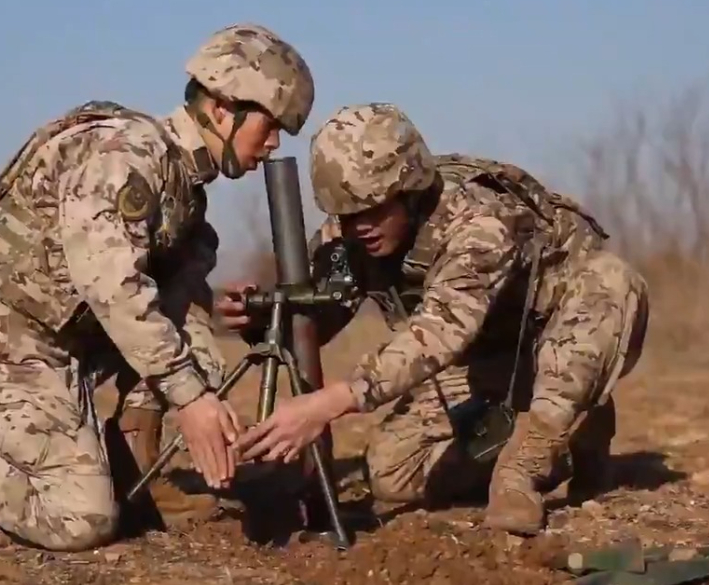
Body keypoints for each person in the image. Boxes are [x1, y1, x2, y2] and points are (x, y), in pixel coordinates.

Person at [0, 23, 315, 551]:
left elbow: (175, 306)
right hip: (6, 340)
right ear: (222, 108)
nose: (274, 143)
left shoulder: (185, 191)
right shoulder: (125, 156)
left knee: (189, 326)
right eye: (270, 125)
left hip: (76, 344)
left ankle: (135, 471)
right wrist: (191, 399)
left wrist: (212, 327)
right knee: (80, 517)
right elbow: (113, 289)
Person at [223, 102, 649, 536]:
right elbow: (316, 319)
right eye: (347, 214)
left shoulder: (480, 220)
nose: (360, 226)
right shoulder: (350, 234)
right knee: (392, 474)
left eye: (374, 209)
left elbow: (443, 329)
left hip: (558, 335)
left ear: (410, 192)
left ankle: (527, 463)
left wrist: (328, 403)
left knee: (607, 281)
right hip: (488, 360)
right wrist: (258, 319)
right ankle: (571, 440)